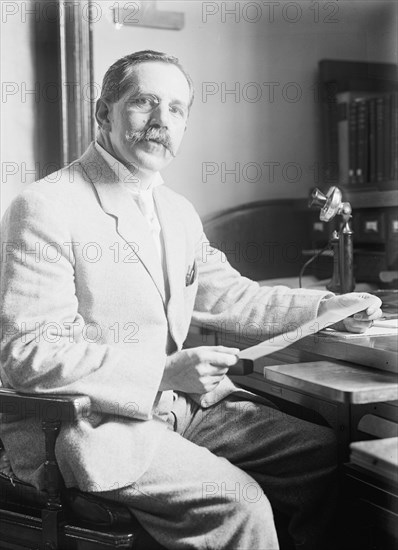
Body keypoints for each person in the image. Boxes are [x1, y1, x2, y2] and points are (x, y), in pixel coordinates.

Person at [0, 50, 382, 550]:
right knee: (241, 505)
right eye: (145, 103)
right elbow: (32, 355)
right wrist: (163, 373)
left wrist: (326, 309)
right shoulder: (46, 207)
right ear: (103, 114)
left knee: (324, 455)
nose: (162, 121)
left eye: (177, 109)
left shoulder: (176, 211)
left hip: (182, 407)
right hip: (89, 426)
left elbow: (230, 294)